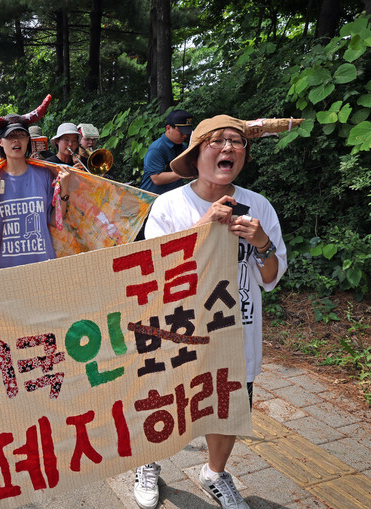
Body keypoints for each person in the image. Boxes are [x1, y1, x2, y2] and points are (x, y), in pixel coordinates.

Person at [134, 115, 287, 509]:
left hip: (236, 332)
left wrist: (262, 242)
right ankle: (147, 462)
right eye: (216, 142)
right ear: (197, 154)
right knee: (165, 400)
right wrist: (203, 226)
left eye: (236, 142)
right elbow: (157, 274)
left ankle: (215, 474)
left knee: (230, 405)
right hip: (178, 330)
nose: (228, 148)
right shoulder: (169, 205)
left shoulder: (259, 206)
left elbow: (270, 277)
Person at [0, 98, 72, 269]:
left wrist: (65, 189)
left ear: (28, 141)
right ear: (0, 142)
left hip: (44, 267)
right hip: (6, 272)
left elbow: (56, 221)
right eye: (10, 137)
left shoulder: (45, 175)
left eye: (21, 135)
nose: (16, 141)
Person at [139, 109, 194, 195]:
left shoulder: (183, 146)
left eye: (187, 132)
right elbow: (156, 179)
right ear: (168, 128)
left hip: (172, 198)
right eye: (181, 132)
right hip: (151, 199)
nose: (185, 135)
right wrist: (184, 173)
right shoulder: (156, 149)